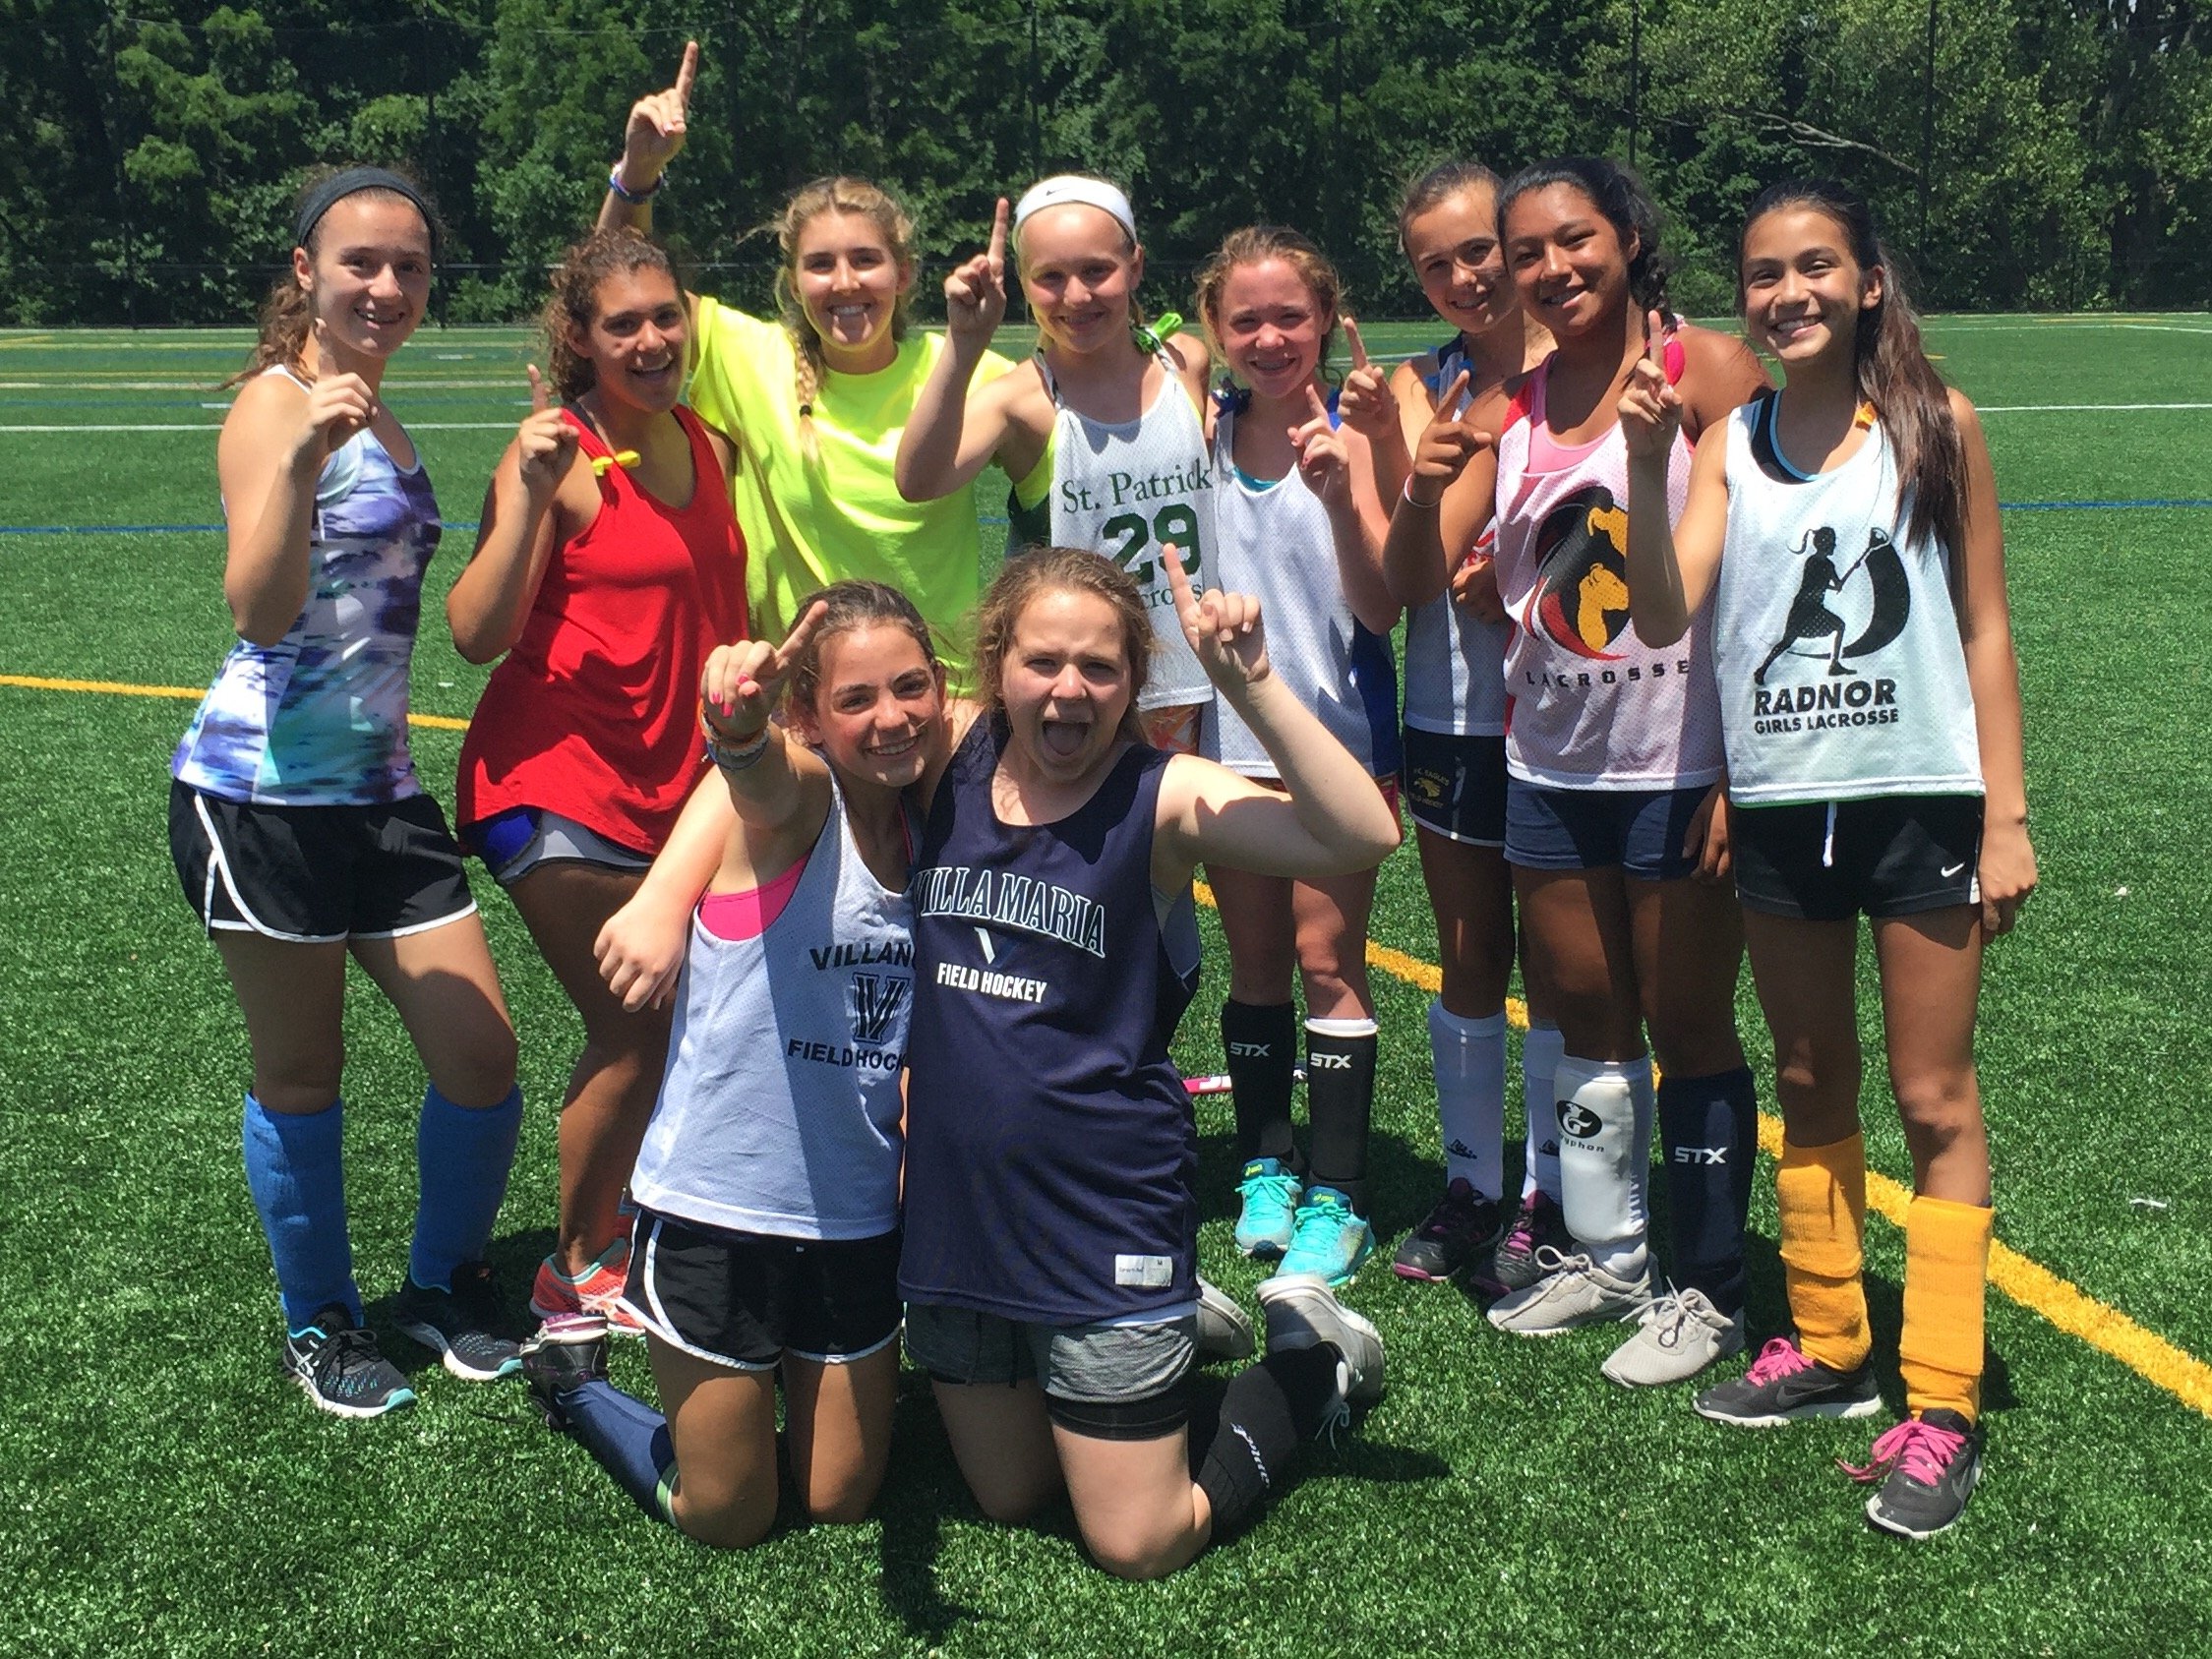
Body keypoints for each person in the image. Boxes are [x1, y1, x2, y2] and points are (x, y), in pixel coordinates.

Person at [1621, 178, 2032, 1537]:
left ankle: (1942, 1398)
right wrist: (1642, 465)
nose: (1786, 292)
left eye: (1813, 266)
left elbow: (1979, 625)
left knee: (1932, 1094)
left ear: (1866, 283)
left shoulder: (1934, 424)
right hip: (1785, 804)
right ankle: (1833, 1337)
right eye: (1761, 273)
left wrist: (2004, 814)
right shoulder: (1724, 443)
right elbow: (1666, 610)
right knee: (1807, 1075)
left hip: (1919, 800)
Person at [898, 544, 1401, 1579]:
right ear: (995, 662)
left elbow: (1360, 834)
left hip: (1099, 1208)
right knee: (1010, 1494)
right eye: (1042, 661)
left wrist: (1250, 686)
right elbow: (809, 747)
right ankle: (1173, 1323)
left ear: (1133, 680)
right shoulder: (947, 753)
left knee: (1139, 1540)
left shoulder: (1158, 796)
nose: (1068, 690)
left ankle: (1312, 1359)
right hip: (957, 1214)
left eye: (1099, 667)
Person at [1382, 156, 1768, 1387]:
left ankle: (1709, 1284)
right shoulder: (1509, 404)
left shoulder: (1703, 370)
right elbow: (1413, 576)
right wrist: (1421, 493)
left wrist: (1740, 768)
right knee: (1589, 1018)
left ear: (1628, 238)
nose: (1550, 269)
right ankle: (1609, 1255)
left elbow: (1767, 567)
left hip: (1676, 761)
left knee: (1687, 1024)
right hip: (1547, 763)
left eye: (1573, 241)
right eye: (1527, 252)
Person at [168, 167, 522, 1417]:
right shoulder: (276, 406)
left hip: (380, 791)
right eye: (359, 262)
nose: (385, 285)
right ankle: (319, 1321)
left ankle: (438, 1283)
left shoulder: (387, 413)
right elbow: (258, 611)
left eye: (408, 266)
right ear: (305, 272)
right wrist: (303, 460)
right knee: (303, 1070)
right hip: (259, 795)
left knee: (481, 1054)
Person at [518, 585, 942, 1546]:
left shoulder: (929, 824)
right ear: (810, 717)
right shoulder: (801, 806)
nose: (890, 716)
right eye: (855, 698)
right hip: (720, 1211)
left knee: (839, 1498)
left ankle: (773, 1389)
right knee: (729, 1513)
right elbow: (759, 777)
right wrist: (739, 730)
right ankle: (574, 1386)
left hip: (853, 1217)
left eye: (909, 687)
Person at [448, 228, 747, 1331]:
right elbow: (474, 633)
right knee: (635, 1025)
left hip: (675, 784)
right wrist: (530, 495)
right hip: (554, 780)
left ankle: (640, 1217)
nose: (651, 339)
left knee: (690, 1017)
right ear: (580, 338)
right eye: (622, 324)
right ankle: (574, 1266)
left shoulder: (708, 441)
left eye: (665, 316)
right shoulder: (554, 455)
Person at [598, 40, 1018, 681]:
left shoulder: (970, 370)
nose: (844, 282)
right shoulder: (748, 355)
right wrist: (637, 173)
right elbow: (616, 284)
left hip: (941, 695)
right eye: (820, 265)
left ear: (904, 274)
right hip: (802, 700)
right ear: (793, 283)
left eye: (866, 260)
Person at [1187, 226, 1399, 1287]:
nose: (1269, 339)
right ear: (1214, 331)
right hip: (1226, 744)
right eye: (1244, 321)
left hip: (1333, 741)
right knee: (1256, 963)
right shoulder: (1198, 432)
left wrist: (1337, 492)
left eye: (1289, 317)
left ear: (1324, 320)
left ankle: (1340, 1191)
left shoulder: (1358, 437)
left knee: (1327, 962)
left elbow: (1381, 605)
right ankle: (1266, 1165)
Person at [1378, 159, 1570, 1291]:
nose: (1462, 277)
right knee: (1467, 950)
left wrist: (1530, 564)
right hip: (1453, 706)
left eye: (1478, 249)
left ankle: (1549, 1191)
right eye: (1432, 264)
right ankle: (1469, 1185)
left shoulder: (1599, 360)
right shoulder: (1422, 384)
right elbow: (1412, 565)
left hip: (1576, 712)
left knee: (1561, 960)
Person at [895, 177, 1218, 750]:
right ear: (1022, 284)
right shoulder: (1023, 401)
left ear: (1136, 266)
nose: (1076, 296)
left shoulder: (1183, 361)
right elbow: (918, 480)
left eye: (1096, 271)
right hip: (1075, 690)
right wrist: (964, 346)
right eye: (1050, 277)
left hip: (1195, 672)